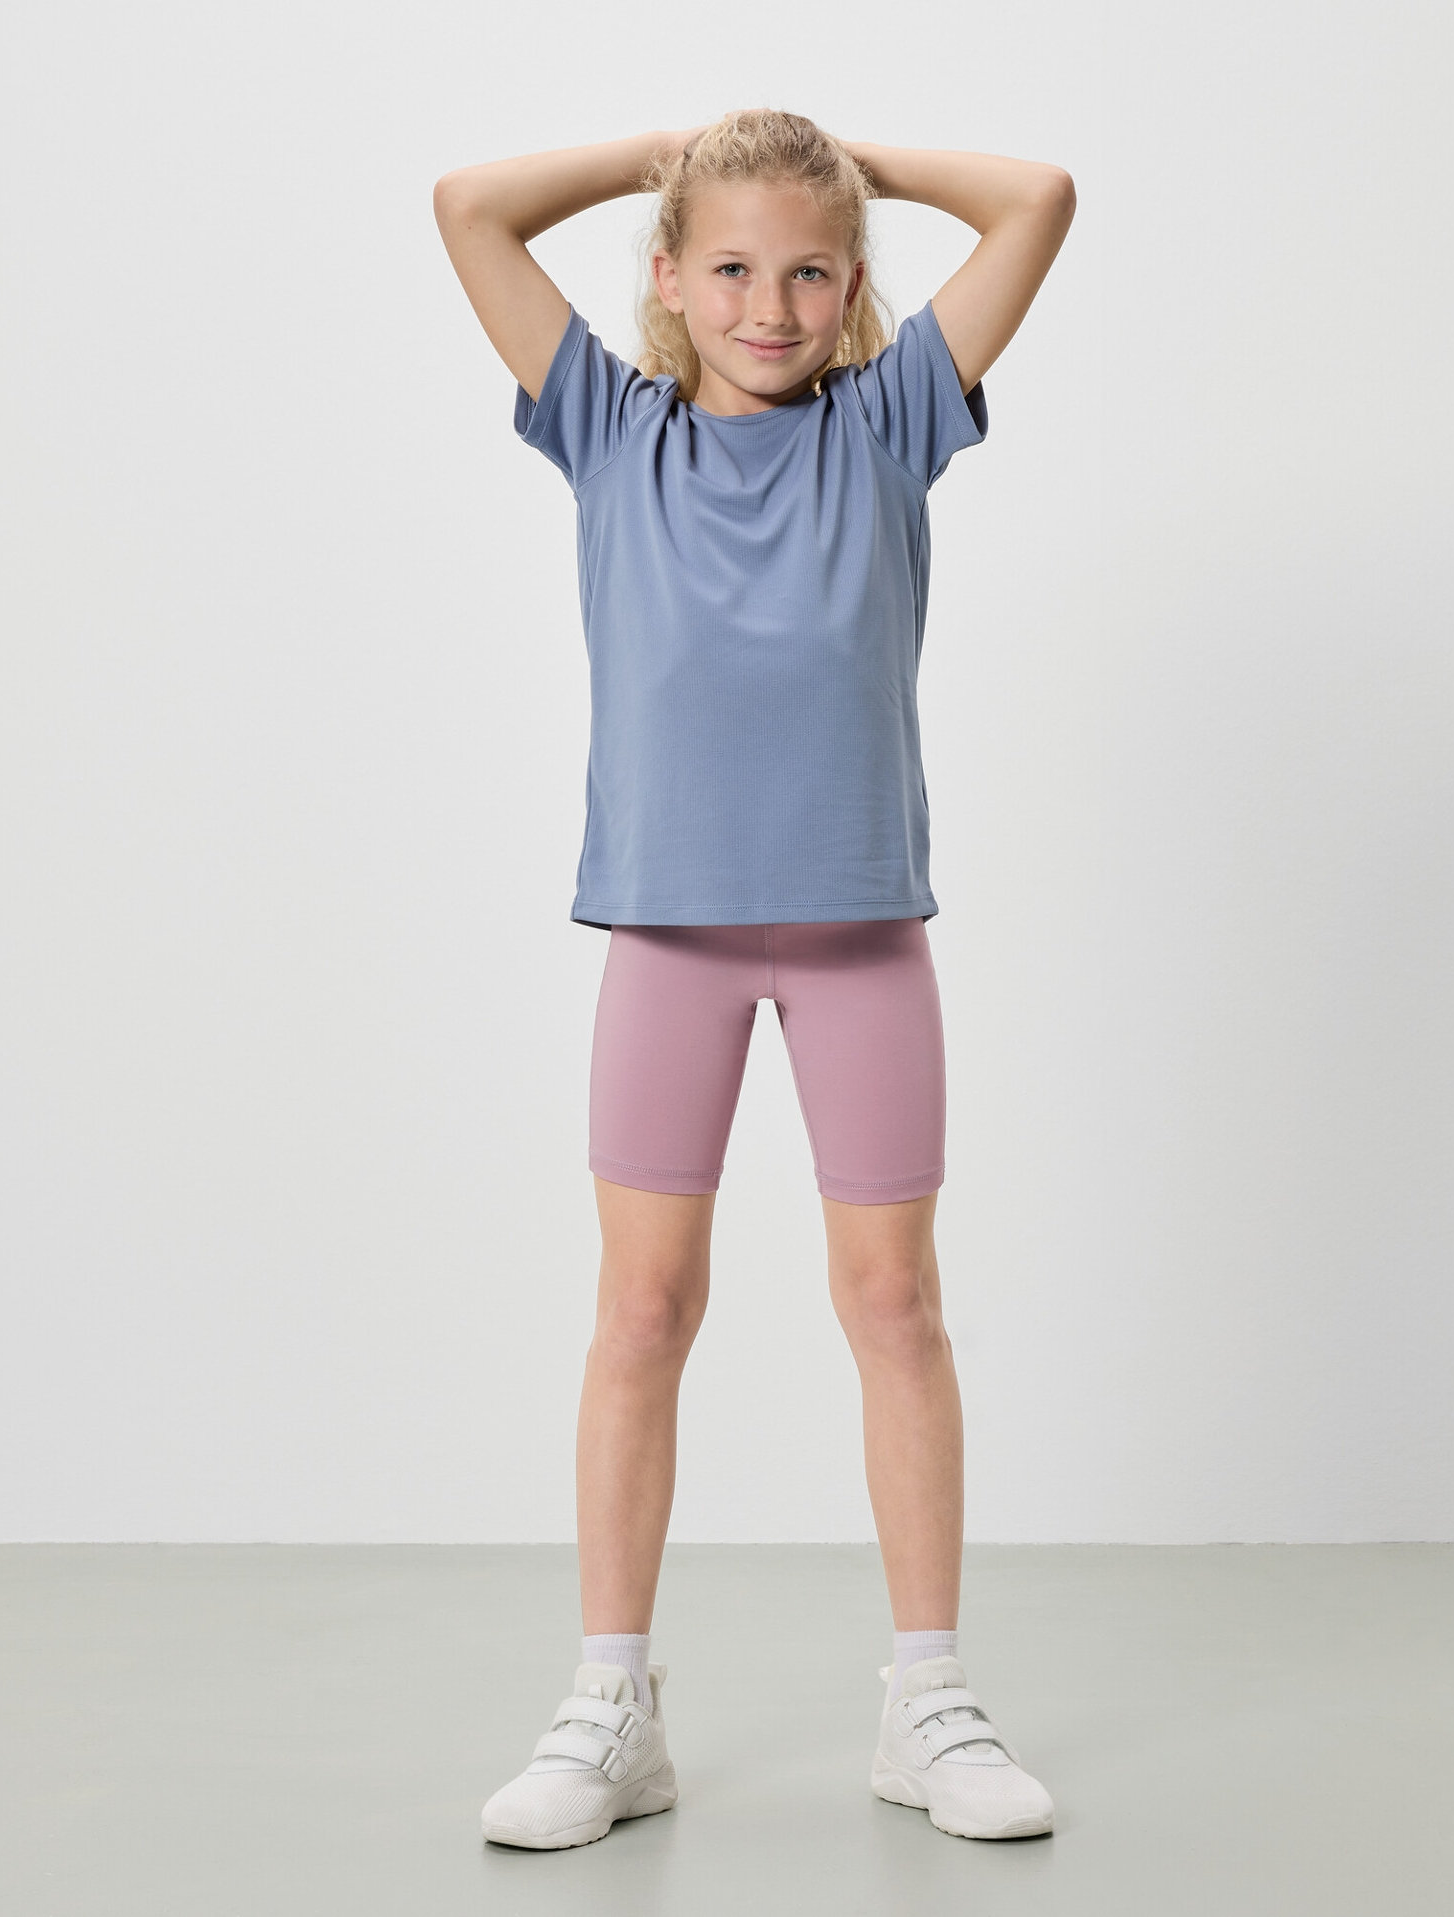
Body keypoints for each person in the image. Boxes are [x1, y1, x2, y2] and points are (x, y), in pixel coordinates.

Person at [431, 108, 1074, 1849]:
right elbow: (470, 208)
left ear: (852, 287)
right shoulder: (607, 426)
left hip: (862, 933)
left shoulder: (887, 421)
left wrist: (849, 163)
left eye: (807, 272)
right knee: (641, 1312)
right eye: (728, 267)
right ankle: (609, 1704)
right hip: (668, 936)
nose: (768, 306)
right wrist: (668, 151)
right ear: (665, 277)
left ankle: (928, 1699)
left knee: (895, 1306)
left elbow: (1037, 198)